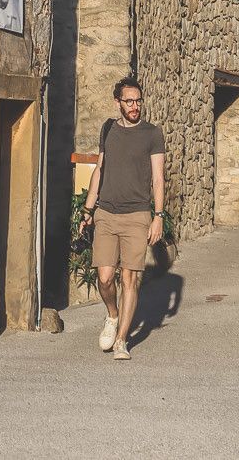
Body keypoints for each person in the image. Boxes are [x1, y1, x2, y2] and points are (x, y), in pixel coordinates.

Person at [78, 76, 166, 362]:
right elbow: (100, 170)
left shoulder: (152, 134)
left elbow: (158, 178)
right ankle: (112, 315)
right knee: (105, 278)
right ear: (118, 102)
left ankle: (121, 340)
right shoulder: (108, 129)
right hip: (106, 212)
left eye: (138, 101)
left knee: (129, 277)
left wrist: (158, 216)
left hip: (137, 214)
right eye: (129, 101)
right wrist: (88, 210)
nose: (134, 106)